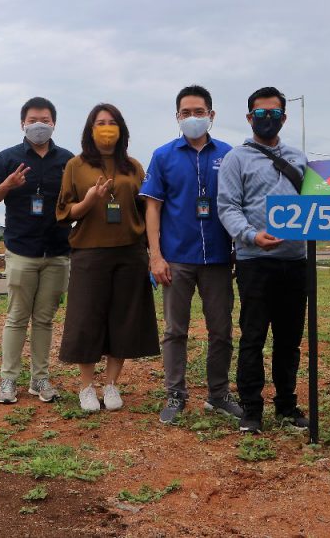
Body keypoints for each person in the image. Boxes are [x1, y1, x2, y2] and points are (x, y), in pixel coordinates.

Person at [140, 85, 239, 424]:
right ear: (177, 117)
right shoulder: (163, 156)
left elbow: (239, 203)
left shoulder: (229, 155)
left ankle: (218, 394)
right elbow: (152, 208)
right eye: (186, 113)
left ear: (211, 115)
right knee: (175, 330)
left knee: (221, 330)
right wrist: (156, 256)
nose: (192, 118)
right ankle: (175, 393)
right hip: (176, 259)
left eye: (199, 112)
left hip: (219, 259)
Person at [56, 103, 160, 411]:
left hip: (130, 252)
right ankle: (86, 386)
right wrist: (89, 200)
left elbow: (147, 210)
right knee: (86, 318)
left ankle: (112, 384)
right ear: (90, 129)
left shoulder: (133, 166)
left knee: (124, 319)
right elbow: (65, 212)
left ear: (121, 129)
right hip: (90, 253)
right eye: (100, 122)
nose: (106, 127)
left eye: (112, 122)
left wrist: (153, 252)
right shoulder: (75, 166)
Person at [218, 86, 309, 434]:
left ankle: (286, 406)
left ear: (283, 118)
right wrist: (250, 235)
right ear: (249, 117)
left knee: (289, 339)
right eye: (260, 113)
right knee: (253, 337)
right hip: (255, 260)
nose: (267, 119)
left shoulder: (300, 159)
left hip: (295, 262)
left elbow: (315, 203)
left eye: (273, 114)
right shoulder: (236, 159)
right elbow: (228, 206)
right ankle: (251, 410)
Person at [0, 97, 74, 405]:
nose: (39, 125)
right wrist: (8, 185)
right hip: (22, 250)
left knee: (45, 319)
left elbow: (75, 201)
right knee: (17, 317)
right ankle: (8, 379)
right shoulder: (7, 158)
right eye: (33, 120)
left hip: (57, 251)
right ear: (23, 123)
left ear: (54, 124)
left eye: (45, 120)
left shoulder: (68, 161)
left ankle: (40, 379)